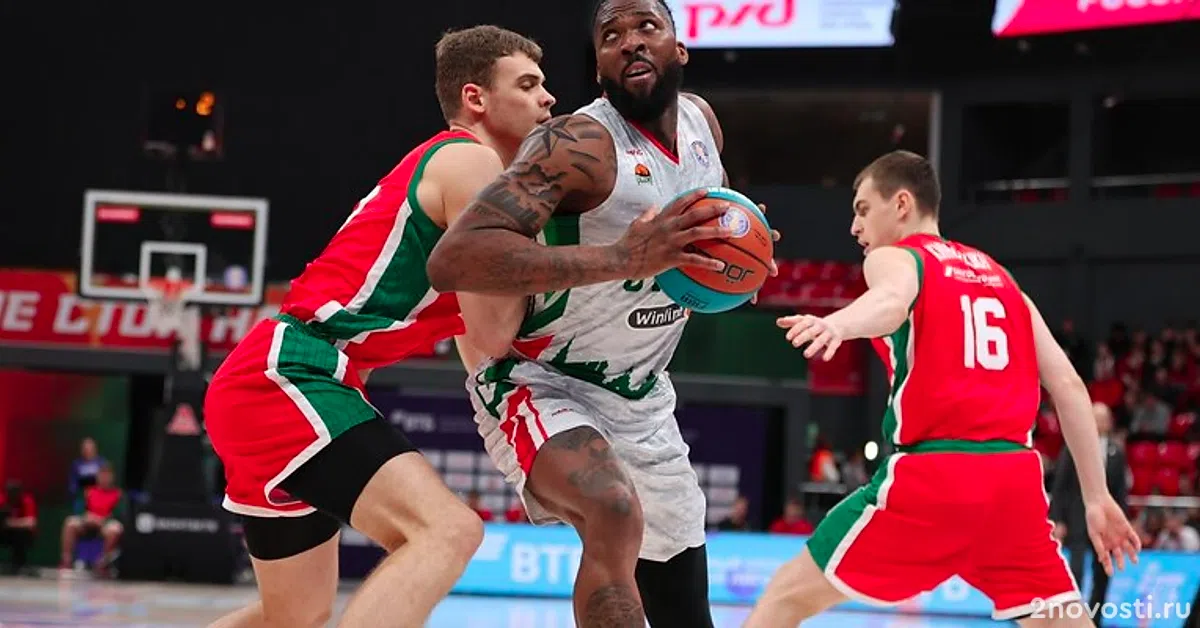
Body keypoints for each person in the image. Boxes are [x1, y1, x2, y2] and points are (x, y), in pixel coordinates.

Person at [427, 2, 776, 625]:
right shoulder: (577, 144)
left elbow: (702, 238)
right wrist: (622, 258)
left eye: (647, 27)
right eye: (611, 36)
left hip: (642, 395)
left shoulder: (701, 124)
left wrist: (736, 264)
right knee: (612, 508)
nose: (630, 42)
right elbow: (457, 258)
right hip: (541, 379)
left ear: (679, 49)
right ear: (599, 69)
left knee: (685, 610)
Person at [203, 25, 555, 628]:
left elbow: (481, 346)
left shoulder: (461, 175)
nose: (548, 97)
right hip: (295, 374)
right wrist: (617, 260)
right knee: (446, 531)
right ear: (475, 98)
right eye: (527, 84)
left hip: (273, 379)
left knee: (295, 616)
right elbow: (497, 330)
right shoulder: (471, 160)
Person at [743, 150, 1141, 627]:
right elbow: (1070, 386)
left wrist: (838, 325)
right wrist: (1097, 498)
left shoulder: (897, 257)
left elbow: (891, 301)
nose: (854, 226)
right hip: (1013, 486)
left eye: (863, 209)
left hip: (932, 481)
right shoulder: (1002, 279)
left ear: (902, 204)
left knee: (786, 597)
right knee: (1062, 621)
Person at [1050, 402, 1128, 612]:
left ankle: (1095, 617)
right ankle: (1073, 615)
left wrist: (1123, 520)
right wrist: (1058, 519)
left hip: (1106, 523)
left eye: (1103, 419)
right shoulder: (1073, 447)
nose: (1099, 423)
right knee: (1075, 569)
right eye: (1095, 418)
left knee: (1103, 571)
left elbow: (1121, 491)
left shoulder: (1116, 452)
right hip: (1077, 519)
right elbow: (1060, 486)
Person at [60, 463, 126, 572]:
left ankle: (102, 564)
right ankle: (66, 561)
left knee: (115, 529)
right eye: (102, 475)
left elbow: (119, 513)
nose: (104, 478)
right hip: (87, 523)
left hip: (104, 525)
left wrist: (103, 520)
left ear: (112, 477)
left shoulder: (118, 494)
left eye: (107, 475)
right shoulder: (89, 491)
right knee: (70, 523)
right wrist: (86, 517)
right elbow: (79, 509)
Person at [0, 479, 37, 574]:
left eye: (15, 492)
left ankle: (19, 565)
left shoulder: (27, 501)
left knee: (21, 534)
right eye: (10, 492)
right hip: (4, 533)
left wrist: (9, 523)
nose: (12, 495)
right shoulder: (2, 500)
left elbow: (31, 523)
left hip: (21, 535)